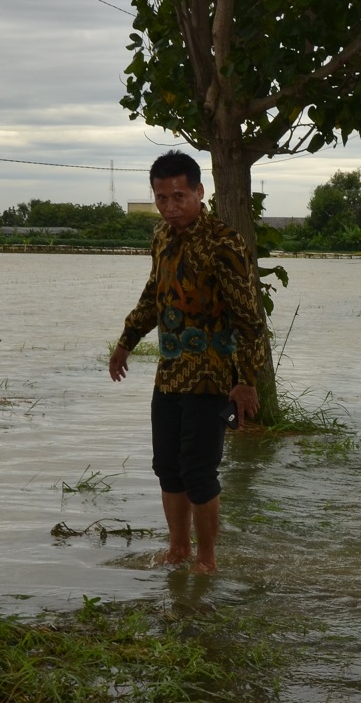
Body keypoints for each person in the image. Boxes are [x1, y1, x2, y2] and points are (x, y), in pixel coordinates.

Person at [109, 151, 267, 574]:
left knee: (198, 472)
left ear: (200, 192)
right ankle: (178, 551)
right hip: (170, 373)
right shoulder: (161, 236)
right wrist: (126, 341)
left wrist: (245, 381)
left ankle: (207, 560)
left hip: (213, 378)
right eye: (162, 198)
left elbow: (250, 319)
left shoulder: (224, 242)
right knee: (168, 469)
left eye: (179, 196)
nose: (170, 206)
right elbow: (153, 295)